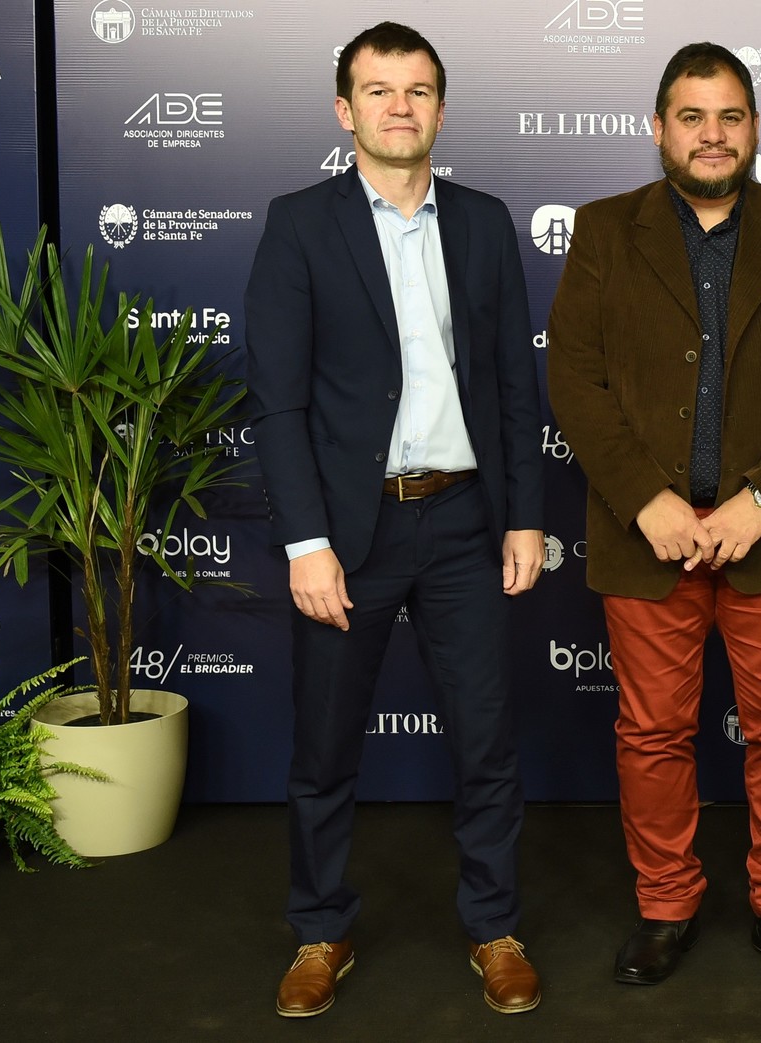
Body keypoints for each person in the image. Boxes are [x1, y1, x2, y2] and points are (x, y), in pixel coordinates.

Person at [244, 21, 546, 1019]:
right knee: (324, 747)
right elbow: (278, 400)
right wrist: (304, 542)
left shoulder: (483, 219)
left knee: (486, 742)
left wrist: (522, 519)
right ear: (345, 110)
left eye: (417, 90)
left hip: (464, 519)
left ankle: (493, 927)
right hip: (347, 531)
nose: (399, 106)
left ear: (440, 109)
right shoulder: (299, 223)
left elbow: (513, 382)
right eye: (379, 91)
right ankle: (319, 930)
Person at [546, 42, 761, 989]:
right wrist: (647, 498)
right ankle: (666, 903)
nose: (712, 134)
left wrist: (760, 498)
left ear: (754, 127)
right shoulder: (604, 230)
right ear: (659, 128)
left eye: (729, 116)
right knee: (649, 734)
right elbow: (576, 377)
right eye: (692, 116)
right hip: (650, 539)